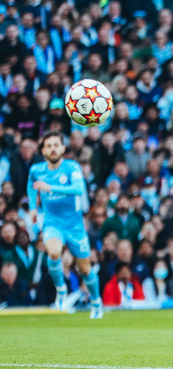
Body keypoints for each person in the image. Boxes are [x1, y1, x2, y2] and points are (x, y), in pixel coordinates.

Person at [28, 132, 103, 319]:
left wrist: (50, 188)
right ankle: (61, 289)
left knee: (85, 269)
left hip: (75, 226)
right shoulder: (36, 170)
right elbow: (32, 185)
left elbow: (78, 189)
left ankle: (96, 300)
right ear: (43, 150)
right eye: (49, 145)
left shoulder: (71, 167)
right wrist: (32, 208)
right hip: (53, 223)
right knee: (53, 253)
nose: (53, 149)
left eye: (56, 145)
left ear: (63, 148)